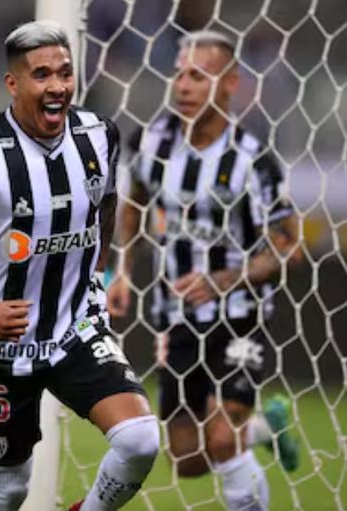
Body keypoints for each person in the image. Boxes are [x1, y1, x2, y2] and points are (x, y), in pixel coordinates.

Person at [0, 21, 159, 511]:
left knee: (139, 441)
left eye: (65, 74)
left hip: (75, 329)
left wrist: (97, 272)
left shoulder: (99, 135)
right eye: (42, 75)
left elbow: (106, 203)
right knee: (8, 491)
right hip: (2, 345)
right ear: (14, 84)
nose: (57, 86)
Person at [106, 31, 302, 510]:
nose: (183, 86)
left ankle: (243, 439)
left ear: (230, 82)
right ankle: (264, 428)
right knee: (188, 458)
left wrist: (226, 278)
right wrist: (124, 269)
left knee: (222, 441)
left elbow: (289, 245)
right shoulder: (151, 141)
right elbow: (134, 201)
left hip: (241, 315)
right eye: (178, 74)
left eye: (198, 76)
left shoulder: (253, 159)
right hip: (176, 318)